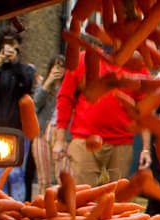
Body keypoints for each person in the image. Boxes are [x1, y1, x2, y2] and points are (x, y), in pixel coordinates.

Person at [53, 48, 151, 186]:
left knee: (114, 200)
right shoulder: (84, 59)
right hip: (84, 142)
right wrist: (59, 140)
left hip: (121, 144)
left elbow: (144, 111)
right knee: (82, 197)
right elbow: (65, 98)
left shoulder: (138, 67)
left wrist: (145, 149)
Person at [0, 26, 35, 202]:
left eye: (12, 45)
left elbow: (26, 87)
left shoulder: (26, 70)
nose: (8, 49)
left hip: (18, 128)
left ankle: (18, 207)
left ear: (18, 46)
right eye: (5, 45)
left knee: (17, 173)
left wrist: (15, 65)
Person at [31, 54, 66, 193]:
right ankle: (43, 210)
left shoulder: (69, 86)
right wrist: (49, 81)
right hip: (42, 132)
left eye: (62, 66)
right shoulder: (44, 84)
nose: (59, 69)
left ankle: (61, 210)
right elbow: (35, 105)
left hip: (60, 132)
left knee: (62, 176)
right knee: (43, 179)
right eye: (56, 66)